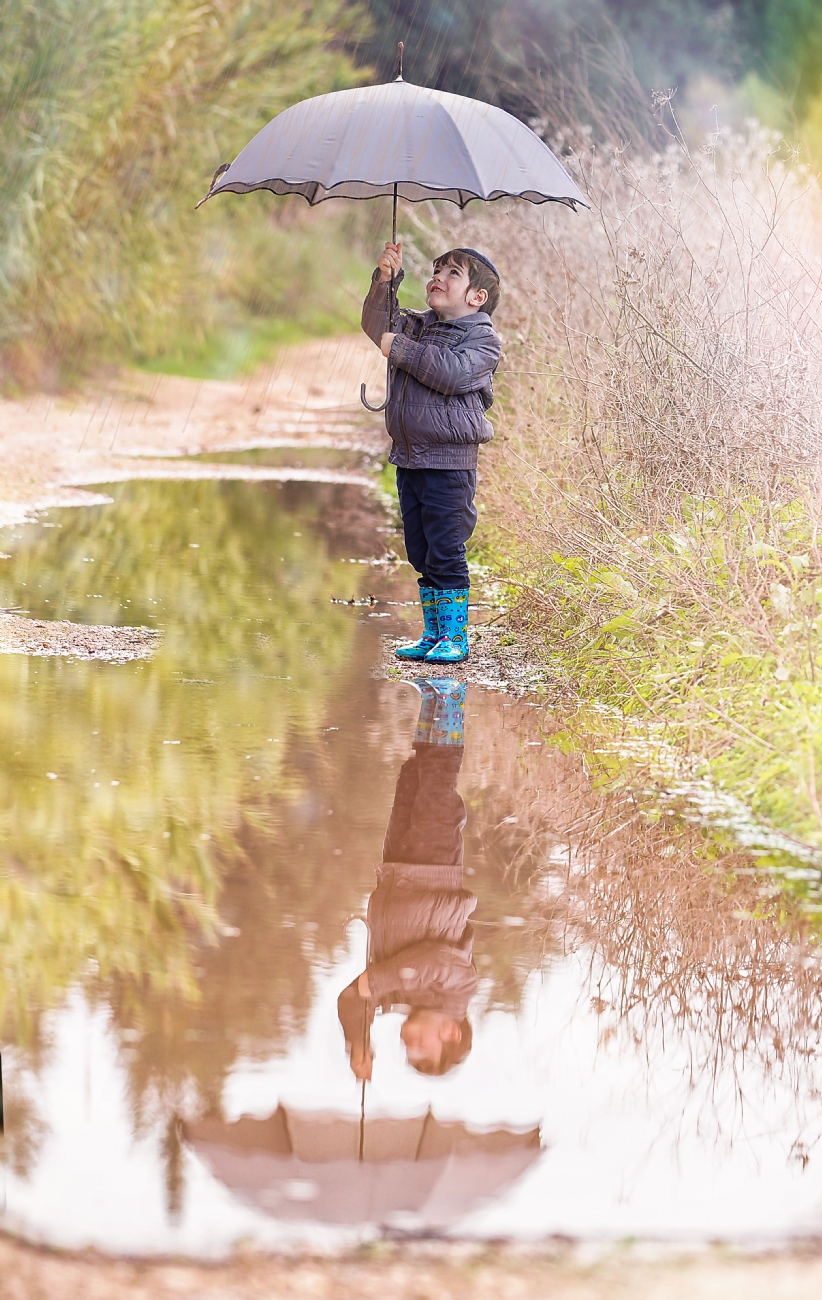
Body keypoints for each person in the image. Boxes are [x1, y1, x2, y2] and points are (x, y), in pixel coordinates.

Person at [361, 244, 502, 664]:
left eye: (452, 273)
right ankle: (434, 633)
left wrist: (401, 349)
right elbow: (377, 325)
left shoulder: (482, 340)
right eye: (437, 270)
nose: (438, 276)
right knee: (420, 550)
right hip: (410, 458)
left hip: (448, 464)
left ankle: (455, 636)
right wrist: (384, 281)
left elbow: (453, 373)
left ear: (476, 296)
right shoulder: (417, 325)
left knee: (445, 548)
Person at [337, 679, 476, 1077]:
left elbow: (350, 998)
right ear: (450, 1032)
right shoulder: (459, 988)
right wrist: (377, 981)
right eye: (420, 1047)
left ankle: (431, 699)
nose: (406, 1042)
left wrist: (358, 1045)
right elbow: (432, 962)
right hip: (433, 868)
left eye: (406, 1051)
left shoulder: (398, 997)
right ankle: (450, 694)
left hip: (397, 870)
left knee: (413, 775)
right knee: (437, 781)